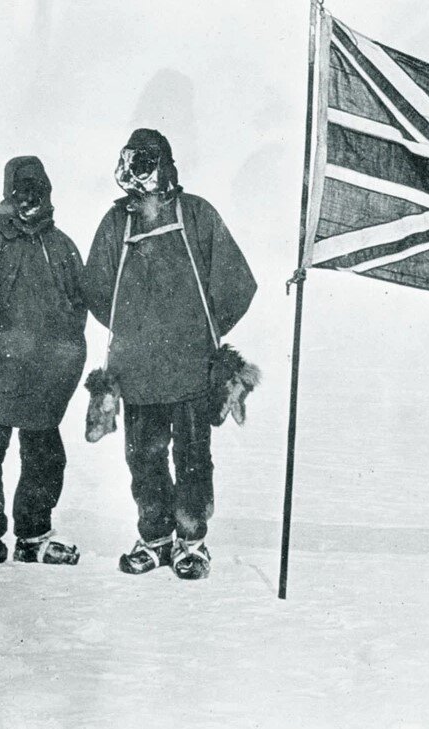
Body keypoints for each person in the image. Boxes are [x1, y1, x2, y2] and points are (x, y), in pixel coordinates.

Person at [82, 129, 256, 580]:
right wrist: (134, 331)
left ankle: (192, 542)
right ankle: (155, 538)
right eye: (132, 163)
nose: (138, 174)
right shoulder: (117, 222)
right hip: (137, 370)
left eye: (147, 163)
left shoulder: (197, 214)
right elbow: (97, 289)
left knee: (193, 456)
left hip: (192, 370)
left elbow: (237, 282)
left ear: (165, 165)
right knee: (144, 456)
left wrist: (202, 331)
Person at [0, 156, 86, 571]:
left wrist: (65, 357)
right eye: (21, 192)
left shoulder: (60, 247)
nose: (30, 200)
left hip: (45, 381)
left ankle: (34, 534)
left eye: (37, 192)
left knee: (44, 456)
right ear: (9, 193)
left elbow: (79, 304)